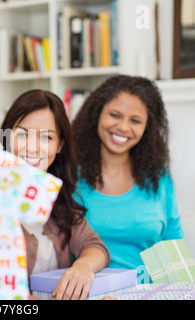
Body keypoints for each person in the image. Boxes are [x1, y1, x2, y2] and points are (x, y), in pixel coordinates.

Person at [0, 89, 110, 300]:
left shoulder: (58, 199)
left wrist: (83, 266)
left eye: (46, 137)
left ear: (59, 145)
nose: (32, 147)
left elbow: (95, 247)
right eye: (22, 134)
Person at [71, 75, 184, 271]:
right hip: (85, 292)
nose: (123, 127)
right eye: (115, 115)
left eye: (135, 120)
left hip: (148, 293)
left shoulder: (158, 176)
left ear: (147, 127)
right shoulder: (70, 174)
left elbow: (171, 240)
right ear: (97, 114)